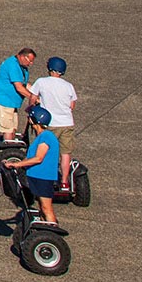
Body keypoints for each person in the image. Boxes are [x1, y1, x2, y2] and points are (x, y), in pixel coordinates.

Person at [4, 106, 64, 225]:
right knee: (42, 207)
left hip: (44, 177)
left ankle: (53, 233)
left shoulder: (46, 136)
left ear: (34, 120)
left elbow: (38, 158)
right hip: (37, 176)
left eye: (29, 117)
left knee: (46, 208)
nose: (28, 119)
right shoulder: (40, 137)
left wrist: (17, 164)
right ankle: (45, 229)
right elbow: (30, 158)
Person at [32, 57, 78, 187]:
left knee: (44, 151)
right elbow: (72, 106)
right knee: (65, 153)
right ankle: (64, 181)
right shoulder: (68, 86)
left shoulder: (41, 82)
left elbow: (33, 97)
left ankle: (46, 178)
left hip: (49, 124)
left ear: (50, 69)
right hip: (67, 123)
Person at [0, 47, 37, 142]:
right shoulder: (12, 65)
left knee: (13, 128)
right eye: (30, 61)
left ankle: (11, 147)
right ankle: (8, 150)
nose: (31, 64)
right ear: (23, 57)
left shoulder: (21, 67)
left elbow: (25, 83)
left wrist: (36, 93)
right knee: (8, 129)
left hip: (12, 103)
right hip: (5, 102)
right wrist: (33, 98)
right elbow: (19, 87)